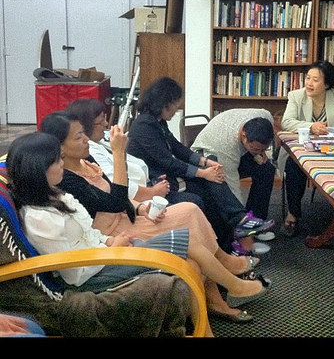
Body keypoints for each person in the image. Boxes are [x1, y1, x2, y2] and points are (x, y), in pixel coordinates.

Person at [7, 132, 270, 333]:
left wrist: (111, 240)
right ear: (38, 169)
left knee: (189, 259)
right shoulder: (40, 217)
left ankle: (206, 329)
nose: (62, 164)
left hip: (103, 255)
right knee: (187, 238)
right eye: (57, 160)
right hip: (93, 274)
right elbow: (73, 271)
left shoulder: (56, 195)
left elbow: (88, 233)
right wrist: (112, 248)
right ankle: (235, 285)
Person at [127, 77, 274, 253]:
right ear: (164, 103)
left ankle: (234, 233)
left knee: (213, 186)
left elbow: (178, 149)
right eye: (175, 104)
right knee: (206, 191)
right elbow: (168, 162)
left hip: (168, 177)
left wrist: (206, 163)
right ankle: (237, 227)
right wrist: (203, 172)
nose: (177, 108)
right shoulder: (144, 126)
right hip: (157, 183)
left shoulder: (157, 122)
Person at [278, 60, 334, 237]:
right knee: (293, 166)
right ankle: (293, 214)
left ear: (327, 84)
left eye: (315, 79)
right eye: (308, 78)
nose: (309, 83)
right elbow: (286, 122)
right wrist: (311, 127)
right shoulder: (296, 96)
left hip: (331, 151)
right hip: (301, 149)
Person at [191, 108, 277, 252]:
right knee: (227, 195)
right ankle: (243, 227)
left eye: (264, 149)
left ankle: (257, 223)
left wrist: (259, 152)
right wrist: (241, 218)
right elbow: (233, 188)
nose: (260, 152)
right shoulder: (226, 146)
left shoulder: (265, 116)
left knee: (267, 170)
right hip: (209, 156)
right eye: (256, 149)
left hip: (239, 150)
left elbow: (266, 123)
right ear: (244, 136)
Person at [66, 98, 170, 203]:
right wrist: (153, 191)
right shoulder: (90, 152)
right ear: (85, 126)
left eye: (105, 118)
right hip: (135, 200)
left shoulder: (103, 139)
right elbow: (115, 185)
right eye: (101, 122)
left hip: (145, 188)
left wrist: (152, 181)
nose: (106, 123)